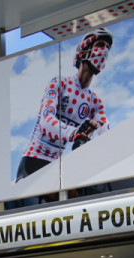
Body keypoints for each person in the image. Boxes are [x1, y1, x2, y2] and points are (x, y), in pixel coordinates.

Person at [15, 28, 113, 186]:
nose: (104, 52)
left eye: (107, 49)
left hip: (54, 167)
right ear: (83, 52)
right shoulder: (59, 83)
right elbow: (46, 121)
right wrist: (74, 132)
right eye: (100, 45)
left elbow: (105, 132)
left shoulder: (95, 102)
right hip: (32, 160)